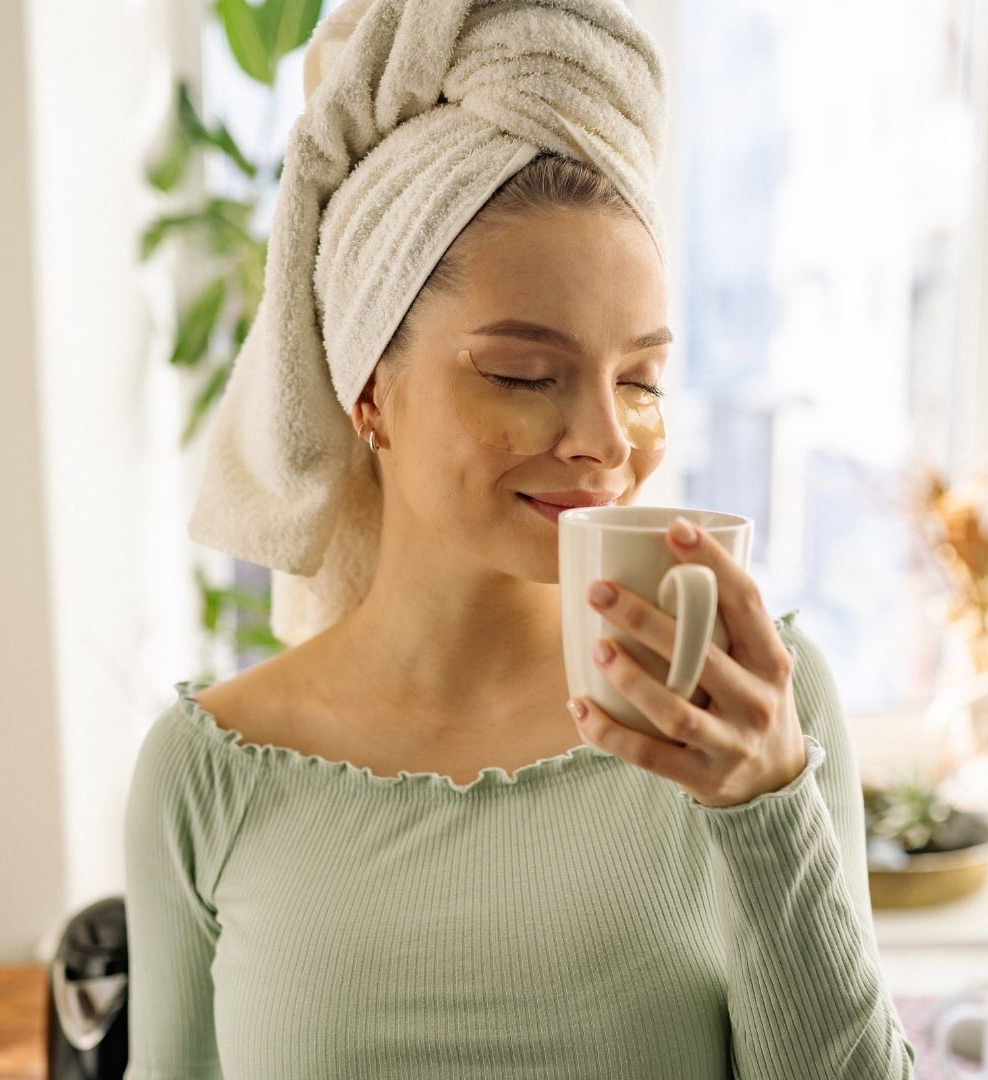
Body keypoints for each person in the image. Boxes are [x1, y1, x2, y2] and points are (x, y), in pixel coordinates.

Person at [122, 2, 919, 1077]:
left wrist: (767, 808)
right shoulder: (209, 775)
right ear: (369, 392)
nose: (606, 442)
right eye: (521, 375)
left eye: (640, 380)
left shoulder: (746, 710)